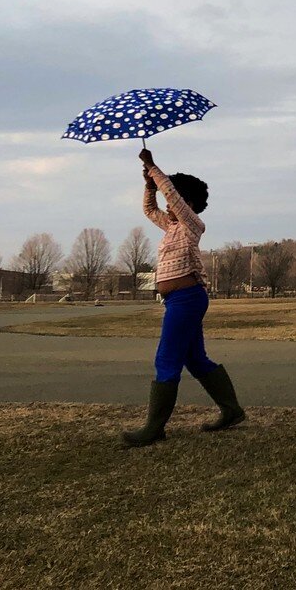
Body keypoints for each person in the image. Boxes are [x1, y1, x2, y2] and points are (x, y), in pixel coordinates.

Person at [122, 147, 246, 447]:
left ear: (186, 203)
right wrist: (149, 185)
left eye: (172, 199)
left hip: (189, 298)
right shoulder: (172, 226)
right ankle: (232, 411)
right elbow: (149, 210)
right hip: (178, 301)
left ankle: (154, 428)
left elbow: (172, 195)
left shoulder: (192, 224)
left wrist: (153, 168)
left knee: (166, 358)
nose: (167, 205)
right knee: (195, 358)